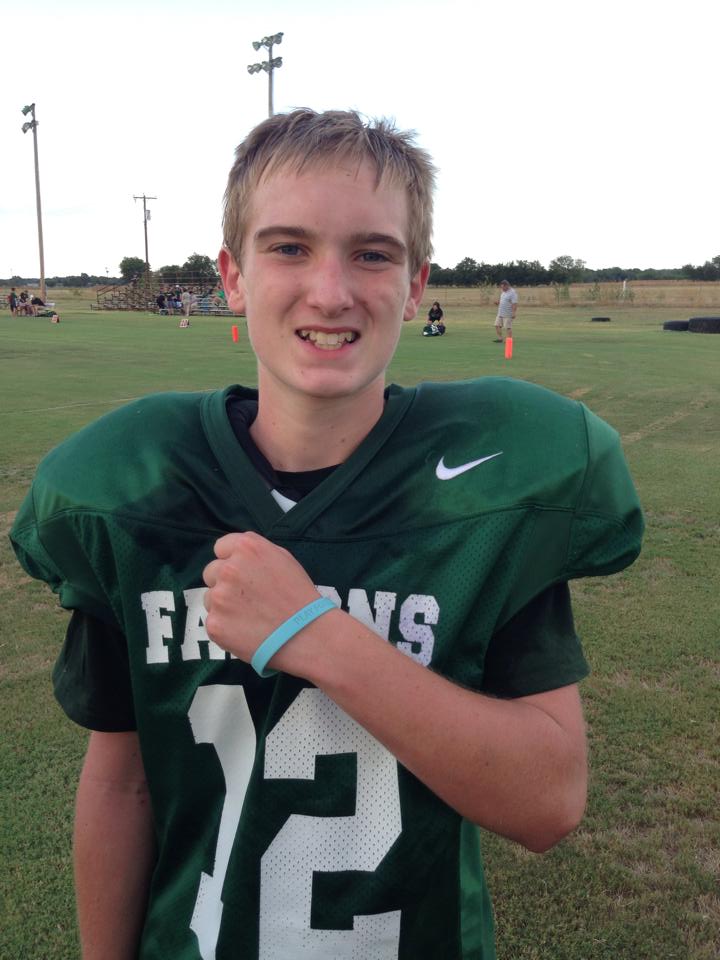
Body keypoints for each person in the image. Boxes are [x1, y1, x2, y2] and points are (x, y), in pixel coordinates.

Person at [11, 109, 643, 960]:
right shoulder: (138, 487)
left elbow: (549, 803)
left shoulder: (487, 493)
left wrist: (313, 634)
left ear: (415, 284)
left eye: (373, 254)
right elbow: (122, 786)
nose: (332, 291)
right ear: (233, 276)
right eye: (289, 248)